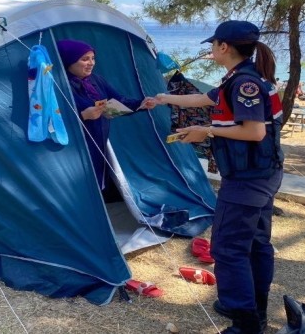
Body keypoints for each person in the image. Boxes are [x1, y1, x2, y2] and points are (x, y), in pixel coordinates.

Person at [153, 20, 283, 334]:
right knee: (255, 243)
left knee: (228, 248)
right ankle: (254, 308)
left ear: (224, 47)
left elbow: (254, 131)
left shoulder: (244, 84)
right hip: (262, 174)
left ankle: (246, 322)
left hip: (248, 179)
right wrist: (164, 98)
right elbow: (206, 99)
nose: (211, 49)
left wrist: (206, 130)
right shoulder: (239, 79)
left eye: (214, 44)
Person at [56, 39, 156, 203]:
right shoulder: (59, 84)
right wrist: (83, 116)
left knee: (97, 178)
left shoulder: (96, 80)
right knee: (79, 183)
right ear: (69, 60)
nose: (91, 63)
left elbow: (118, 100)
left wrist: (141, 104)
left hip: (98, 140)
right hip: (74, 148)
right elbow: (54, 121)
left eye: (93, 58)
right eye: (85, 59)